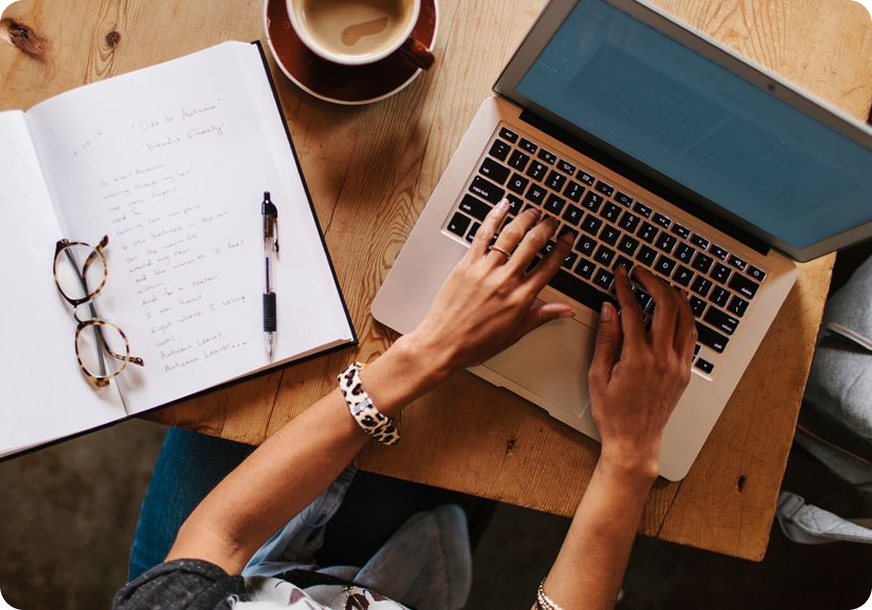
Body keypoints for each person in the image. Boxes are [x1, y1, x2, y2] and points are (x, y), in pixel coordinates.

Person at [114, 200, 695, 610]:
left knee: (245, 382)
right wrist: (629, 456)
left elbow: (217, 537)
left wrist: (427, 352)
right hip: (386, 591)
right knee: (480, 433)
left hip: (232, 576)